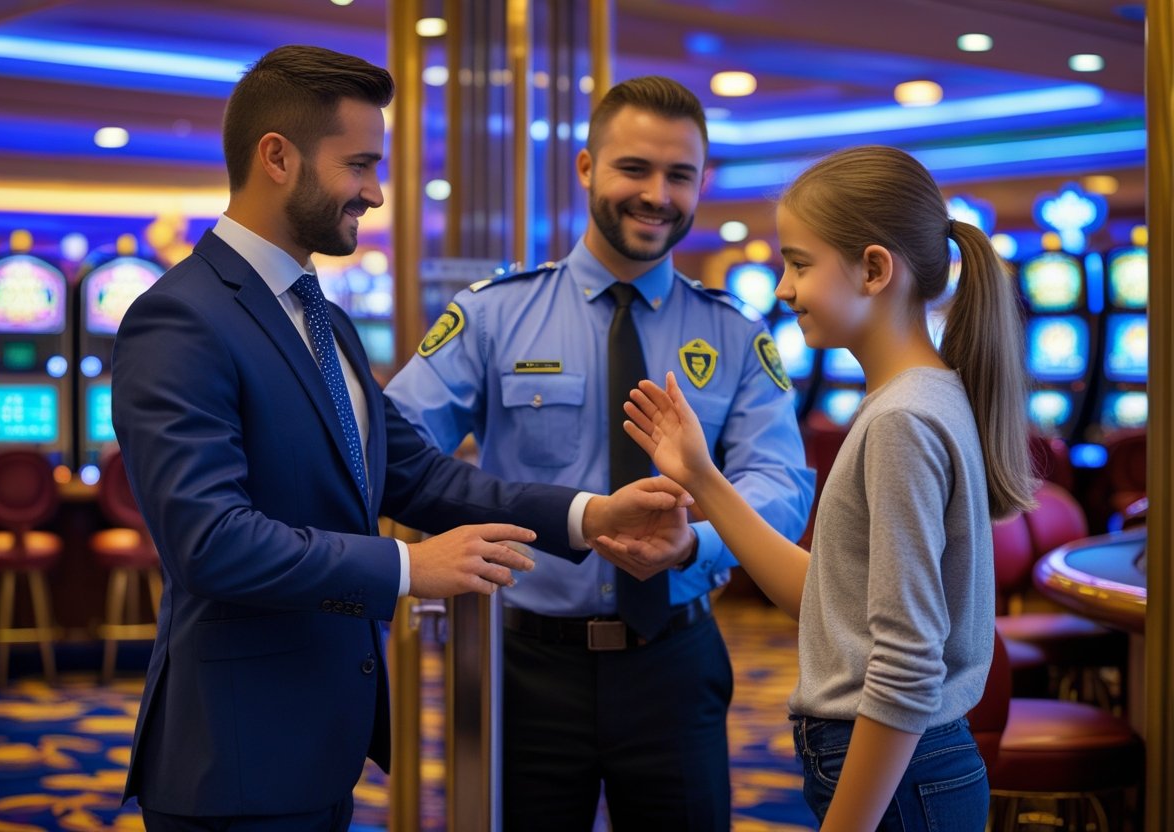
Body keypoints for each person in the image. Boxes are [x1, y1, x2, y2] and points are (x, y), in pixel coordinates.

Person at [111, 45, 693, 831]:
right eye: (359, 165)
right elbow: (208, 541)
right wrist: (406, 565)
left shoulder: (324, 318)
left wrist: (592, 515)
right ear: (277, 158)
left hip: (319, 740)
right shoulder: (180, 317)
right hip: (234, 756)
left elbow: (420, 478)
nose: (376, 192)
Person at [385, 76, 814, 830]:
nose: (657, 194)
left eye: (680, 175)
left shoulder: (736, 333)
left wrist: (696, 545)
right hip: (525, 667)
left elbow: (781, 481)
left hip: (674, 662)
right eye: (634, 169)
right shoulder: (494, 314)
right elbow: (396, 441)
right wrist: (465, 529)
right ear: (586, 168)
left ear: (701, 183)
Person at [610, 145, 1038, 831]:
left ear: (874, 269)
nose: (782, 288)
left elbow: (904, 662)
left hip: (897, 775)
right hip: (907, 770)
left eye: (799, 264)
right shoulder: (918, 396)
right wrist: (704, 480)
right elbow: (832, 601)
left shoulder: (902, 419)